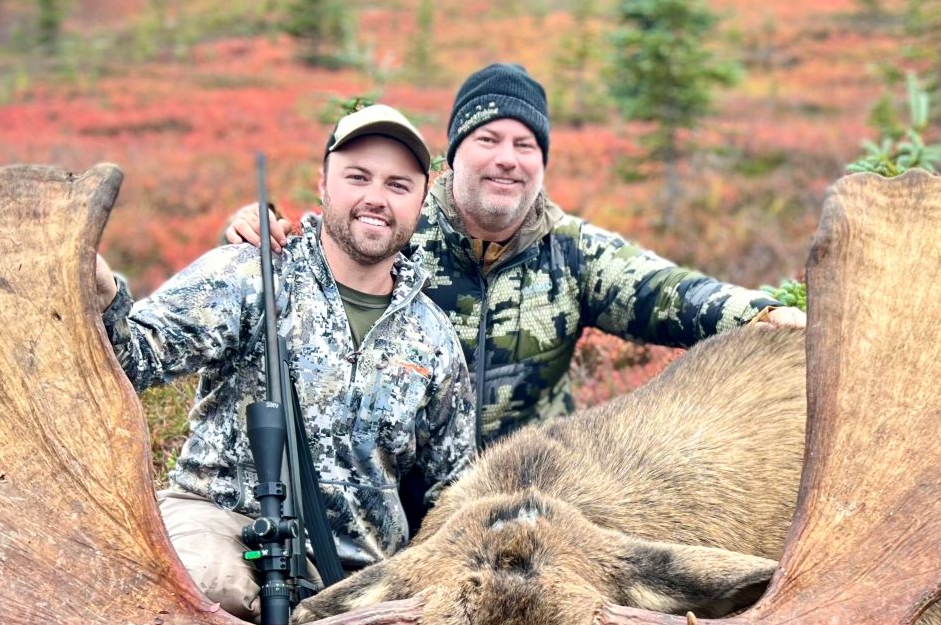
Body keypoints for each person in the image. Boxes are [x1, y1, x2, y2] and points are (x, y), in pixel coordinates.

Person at [226, 63, 807, 446]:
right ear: (453, 155)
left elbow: (665, 291)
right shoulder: (402, 224)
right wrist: (254, 229)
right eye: (488, 139)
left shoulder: (573, 252)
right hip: (399, 491)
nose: (508, 158)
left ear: (542, 162)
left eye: (525, 145)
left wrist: (762, 315)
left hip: (536, 497)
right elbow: (321, 240)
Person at [94, 104, 474, 619]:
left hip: (353, 568)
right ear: (323, 183)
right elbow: (132, 358)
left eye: (397, 185)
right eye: (357, 177)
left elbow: (455, 492)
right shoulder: (252, 275)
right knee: (210, 588)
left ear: (422, 199)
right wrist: (98, 287)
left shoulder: (434, 338)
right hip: (223, 523)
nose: (375, 199)